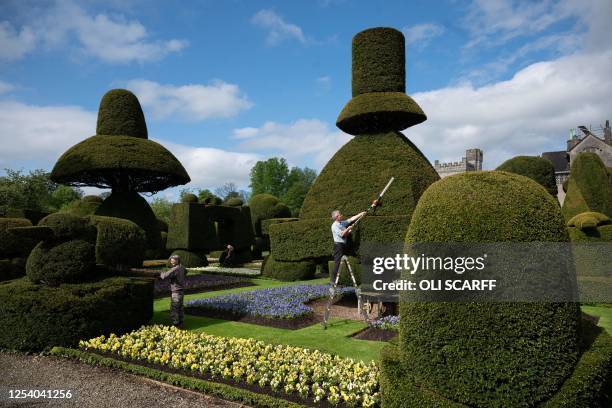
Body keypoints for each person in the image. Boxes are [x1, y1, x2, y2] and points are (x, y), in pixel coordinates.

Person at [157, 254, 186, 329]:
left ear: (177, 260)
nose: (171, 262)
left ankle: (176, 324)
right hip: (181, 290)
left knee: (174, 308)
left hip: (176, 291)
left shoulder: (175, 269)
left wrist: (160, 273)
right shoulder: (182, 267)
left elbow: (165, 276)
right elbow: (186, 272)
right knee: (180, 307)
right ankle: (181, 323)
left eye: (173, 261)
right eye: (171, 261)